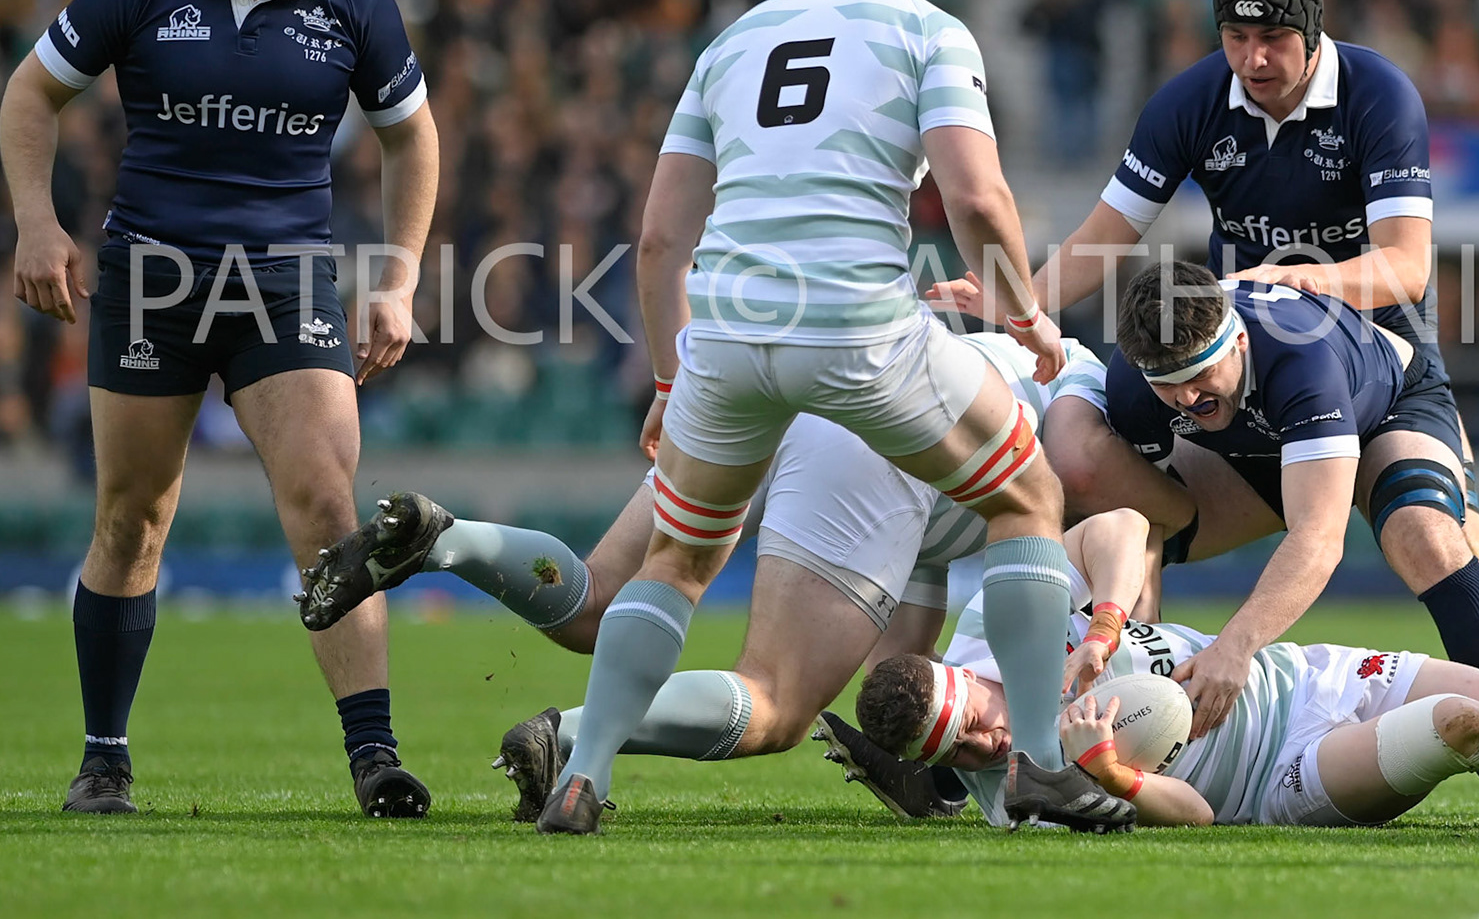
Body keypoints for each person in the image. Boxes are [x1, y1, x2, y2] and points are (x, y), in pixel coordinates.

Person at [519, 0, 1129, 835]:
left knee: (674, 560)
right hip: (855, 324)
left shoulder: (731, 43)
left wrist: (674, 377)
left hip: (725, 328)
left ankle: (585, 773)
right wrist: (1026, 317)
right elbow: (975, 196)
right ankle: (1042, 766)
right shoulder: (929, 28)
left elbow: (664, 236)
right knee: (1027, 495)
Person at [934, 0, 1479, 705]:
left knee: (1436, 540)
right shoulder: (1192, 100)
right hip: (1248, 370)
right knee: (1115, 495)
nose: (1254, 60)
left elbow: (1406, 266)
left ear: (1311, 33)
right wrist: (1017, 300)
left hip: (1382, 365)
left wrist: (1301, 280)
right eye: (1236, 38)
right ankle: (1118, 724)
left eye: (1273, 38)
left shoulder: (1378, 96)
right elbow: (1104, 239)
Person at [0, 0, 439, 817]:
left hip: (285, 284)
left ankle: (374, 757)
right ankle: (105, 756)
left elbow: (412, 136)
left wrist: (402, 275)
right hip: (153, 280)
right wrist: (35, 222)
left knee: (331, 512)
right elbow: (31, 95)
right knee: (132, 521)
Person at [296, 329, 1121, 823]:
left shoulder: (1028, 360)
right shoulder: (1091, 420)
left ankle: (449, 541)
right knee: (777, 700)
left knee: (599, 600)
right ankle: (581, 734)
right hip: (879, 439)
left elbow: (904, 658)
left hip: (767, 375)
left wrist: (923, 762)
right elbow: (1127, 518)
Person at [852, 508, 1479, 830]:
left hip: (1310, 676)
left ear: (960, 672)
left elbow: (1122, 529)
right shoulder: (1025, 787)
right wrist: (1115, 774)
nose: (985, 736)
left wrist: (1103, 623)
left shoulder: (994, 622)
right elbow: (1200, 815)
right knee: (1462, 727)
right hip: (1281, 776)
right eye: (965, 749)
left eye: (972, 712)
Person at [1108, 262, 1479, 748]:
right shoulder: (1131, 385)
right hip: (1265, 445)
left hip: (1389, 407)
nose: (1186, 396)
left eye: (1200, 373)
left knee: (1426, 538)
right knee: (1128, 516)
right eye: (1167, 383)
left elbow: (1319, 538)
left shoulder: (1299, 358)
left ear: (1238, 342)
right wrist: (1143, 652)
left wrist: (1234, 648)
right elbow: (1146, 526)